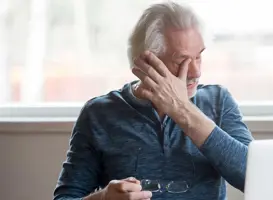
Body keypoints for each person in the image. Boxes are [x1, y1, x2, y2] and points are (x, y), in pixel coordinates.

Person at [53, 2, 254, 200]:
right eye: (181, 61)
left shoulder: (219, 101)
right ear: (147, 62)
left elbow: (254, 177)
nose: (196, 72)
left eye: (198, 57)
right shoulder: (98, 114)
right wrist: (103, 198)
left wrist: (182, 110)